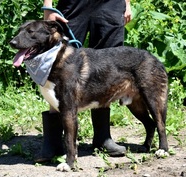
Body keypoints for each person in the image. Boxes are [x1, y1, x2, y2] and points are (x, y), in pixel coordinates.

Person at [35, 0, 132, 163]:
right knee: (60, 63)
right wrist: (48, 6)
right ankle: (53, 142)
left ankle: (102, 138)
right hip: (73, 4)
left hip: (111, 4)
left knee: (106, 70)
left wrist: (126, 3)